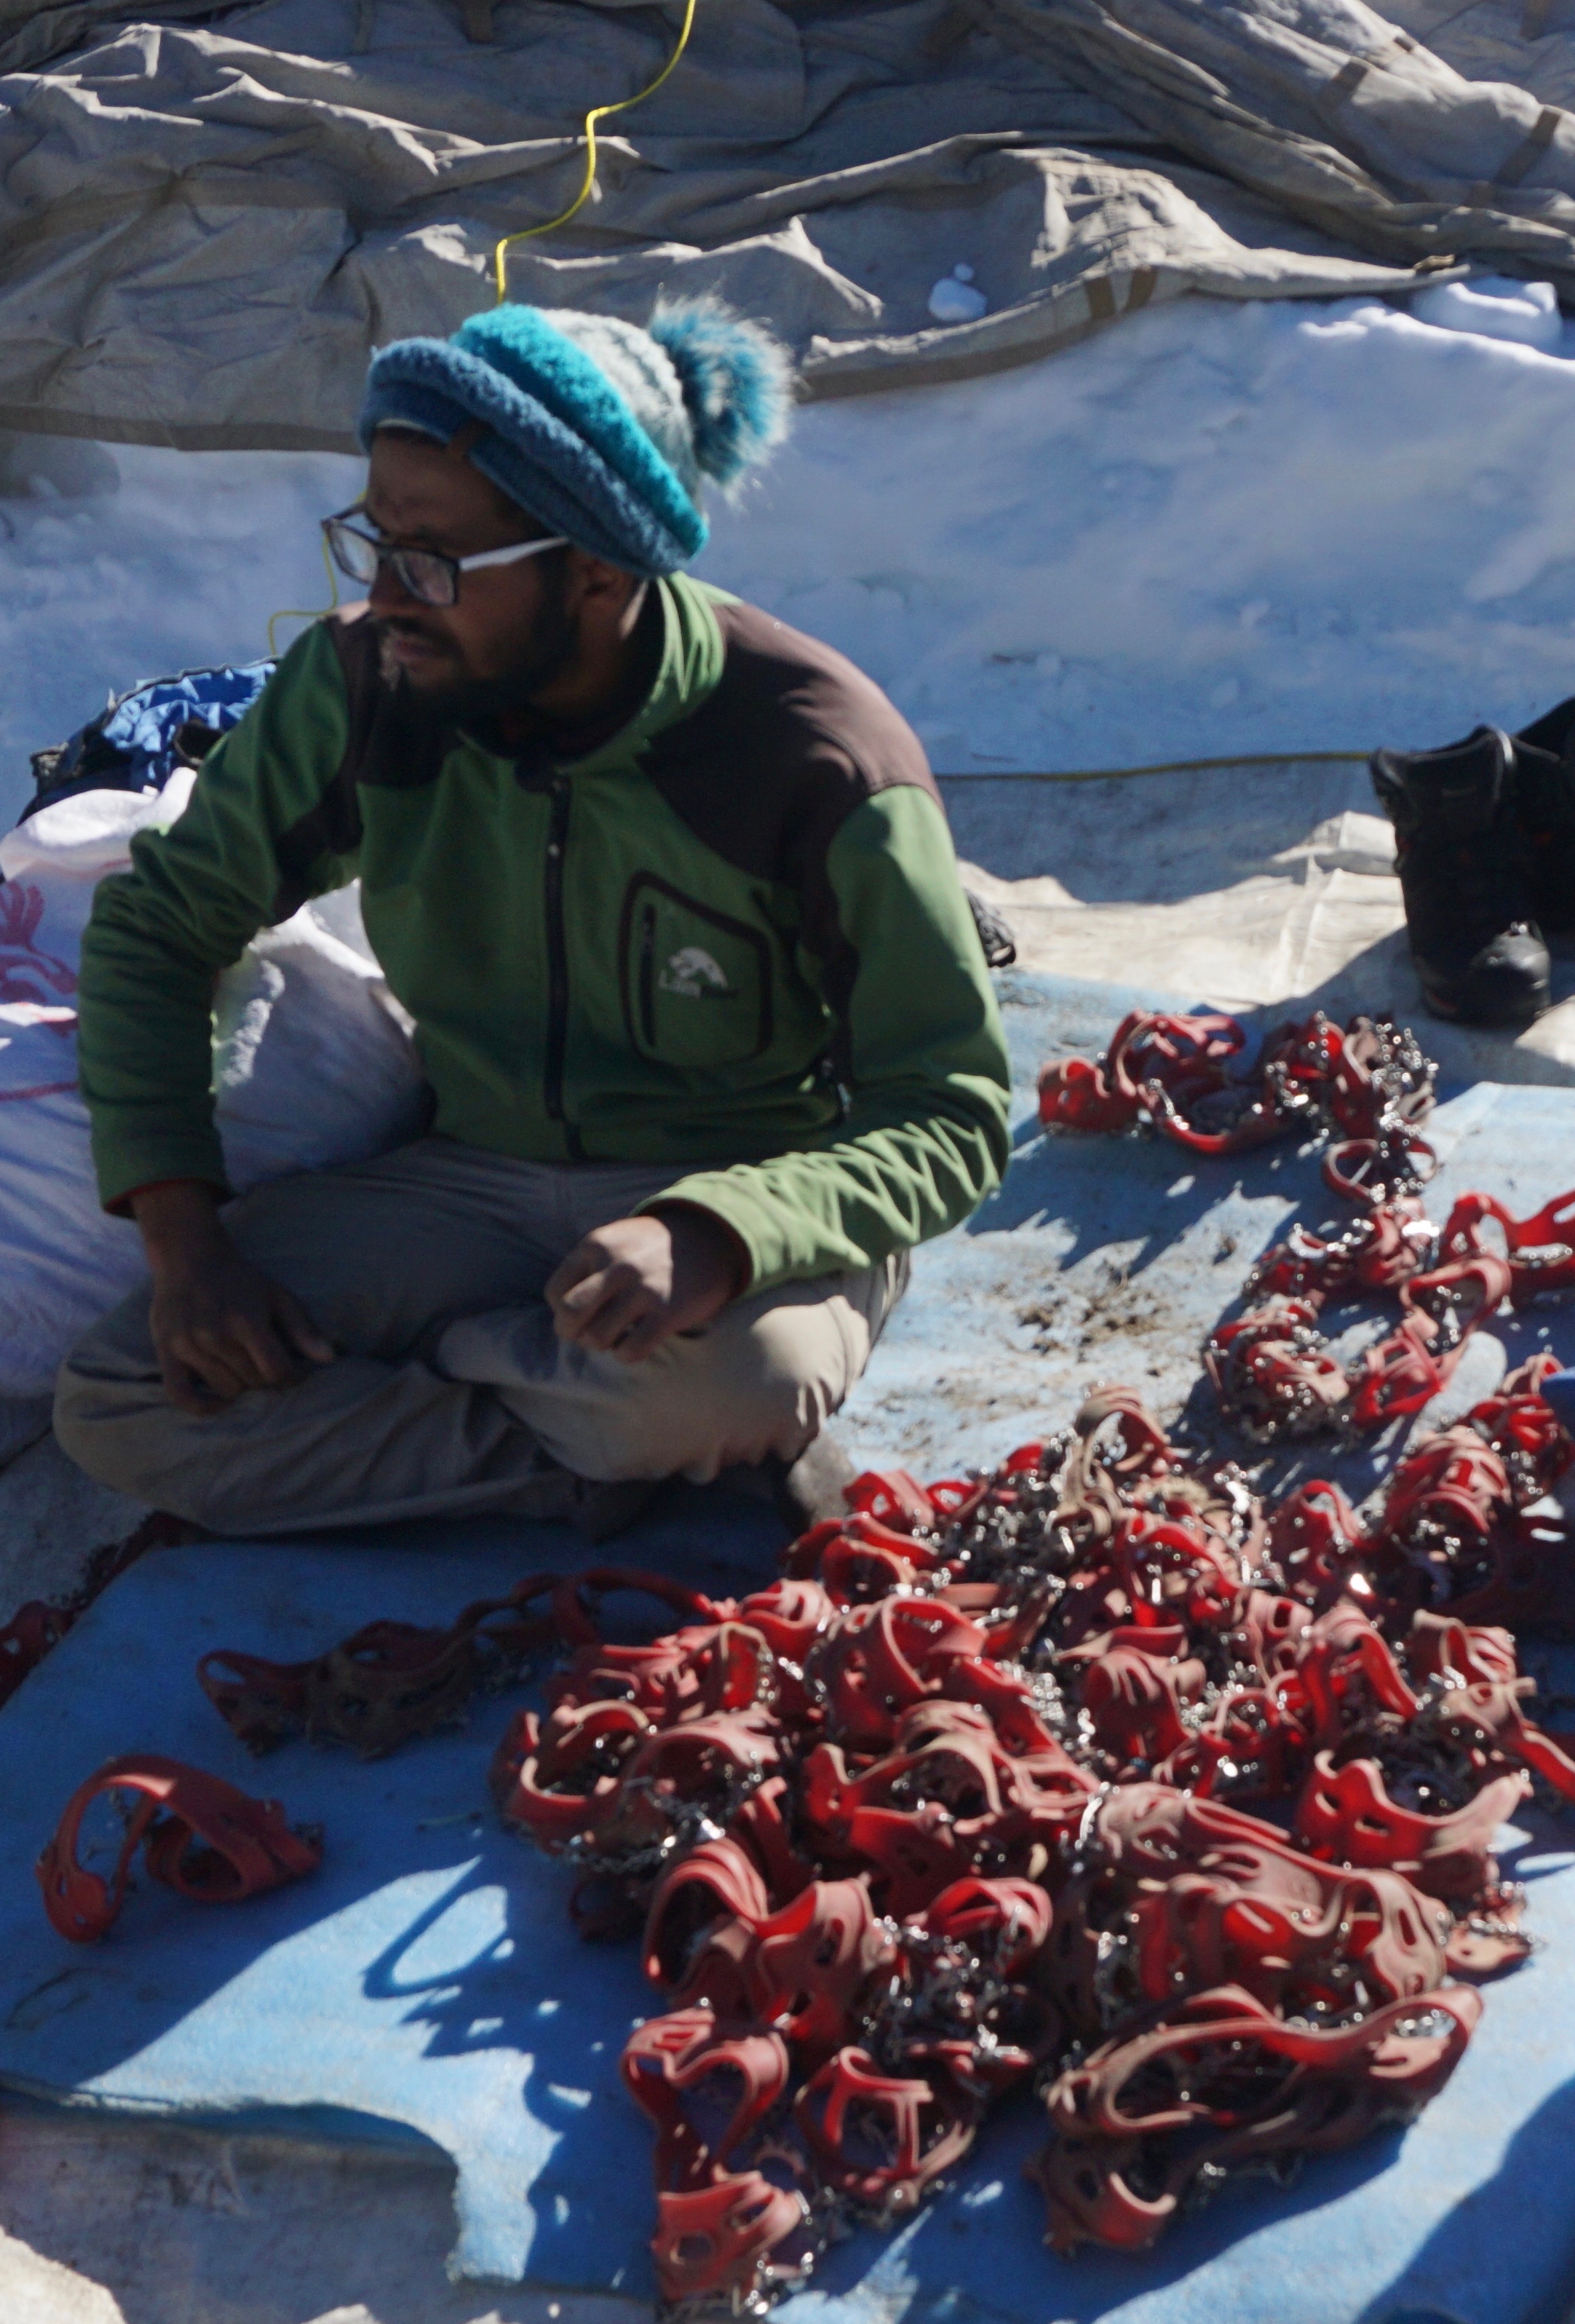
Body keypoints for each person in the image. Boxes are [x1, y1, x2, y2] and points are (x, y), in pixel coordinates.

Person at [53, 301, 1009, 1536]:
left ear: (598, 567)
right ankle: (591, 1444)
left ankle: (600, 1418)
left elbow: (949, 1106)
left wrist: (722, 1233)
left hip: (738, 1187)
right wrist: (186, 1247)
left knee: (743, 1378)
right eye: (375, 543)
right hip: (468, 1182)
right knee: (125, 1393)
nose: (390, 596)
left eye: (434, 562)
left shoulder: (812, 755)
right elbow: (159, 925)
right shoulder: (362, 688)